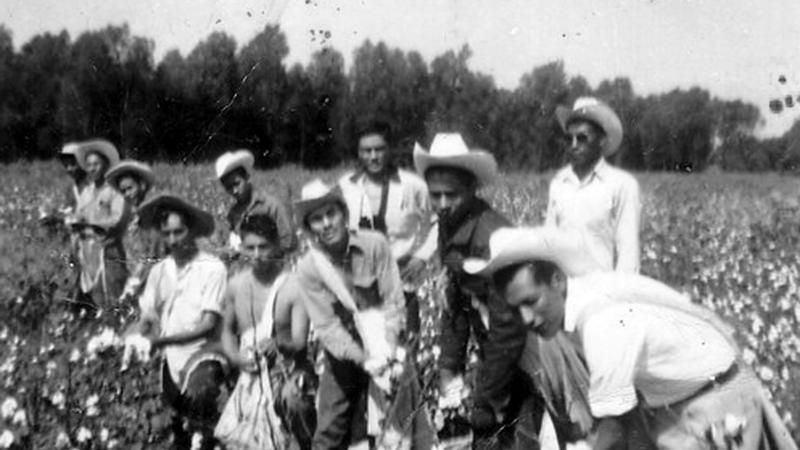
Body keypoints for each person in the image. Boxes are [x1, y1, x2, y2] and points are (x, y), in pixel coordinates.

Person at [465, 226, 799, 450]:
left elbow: (614, 427)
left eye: (531, 301)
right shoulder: (591, 291)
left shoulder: (600, 325)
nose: (526, 319)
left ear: (556, 280)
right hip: (685, 401)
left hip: (715, 403)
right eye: (516, 308)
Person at [413, 133, 540, 448]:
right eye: (435, 195)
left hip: (528, 353)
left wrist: (485, 404)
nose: (442, 204)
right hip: (496, 350)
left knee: (517, 435)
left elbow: (509, 331)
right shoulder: (450, 223)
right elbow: (454, 300)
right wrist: (448, 368)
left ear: (471, 188)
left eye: (450, 195)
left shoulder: (493, 238)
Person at [293, 179, 433, 450]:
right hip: (346, 354)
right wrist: (364, 359)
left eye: (330, 214)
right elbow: (328, 327)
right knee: (330, 432)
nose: (326, 224)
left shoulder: (374, 245)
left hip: (387, 349)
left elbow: (394, 301)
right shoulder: (310, 267)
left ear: (344, 215)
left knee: (398, 429)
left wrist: (388, 350)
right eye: (316, 219)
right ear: (310, 228)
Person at [127, 194, 229, 450]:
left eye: (179, 232)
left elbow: (207, 325)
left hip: (206, 353)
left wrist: (161, 340)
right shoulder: (160, 271)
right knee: (179, 428)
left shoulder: (212, 268)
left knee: (201, 397)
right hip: (172, 356)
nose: (173, 240)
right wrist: (141, 331)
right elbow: (150, 314)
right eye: (167, 233)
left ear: (192, 230)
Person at [217, 213, 317, 449]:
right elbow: (227, 332)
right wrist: (235, 357)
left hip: (287, 369)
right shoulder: (236, 285)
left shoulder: (292, 287)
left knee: (295, 399)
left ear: (276, 246)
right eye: (250, 248)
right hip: (249, 373)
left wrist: (278, 342)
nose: (257, 255)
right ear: (241, 247)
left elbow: (299, 343)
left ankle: (308, 443)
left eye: (263, 247)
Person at [338, 120, 437, 341]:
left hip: (400, 286)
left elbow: (441, 220)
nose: (373, 157)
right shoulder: (346, 186)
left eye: (379, 149)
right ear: (358, 152)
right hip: (358, 290)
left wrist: (422, 256)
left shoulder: (412, 186)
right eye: (366, 151)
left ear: (389, 149)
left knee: (402, 358)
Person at [547, 97, 641, 273]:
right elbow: (549, 244)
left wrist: (619, 297)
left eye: (582, 138)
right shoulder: (559, 183)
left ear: (601, 140)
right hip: (564, 291)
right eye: (570, 139)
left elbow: (629, 254)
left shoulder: (622, 185)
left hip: (602, 292)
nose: (574, 145)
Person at [70, 139, 131, 307]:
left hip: (107, 248)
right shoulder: (86, 192)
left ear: (105, 165)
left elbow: (118, 218)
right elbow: (78, 215)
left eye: (96, 164)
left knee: (112, 291)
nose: (92, 168)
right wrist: (75, 223)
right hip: (87, 251)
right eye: (89, 165)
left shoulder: (114, 190)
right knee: (90, 292)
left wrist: (93, 224)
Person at [215, 149, 297, 256]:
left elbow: (289, 242)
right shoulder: (234, 214)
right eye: (228, 187)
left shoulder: (271, 205)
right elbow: (233, 243)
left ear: (247, 178)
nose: (234, 191)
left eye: (237, 184)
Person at [105, 160, 160, 305]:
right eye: (123, 191)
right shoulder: (135, 217)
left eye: (130, 188)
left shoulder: (153, 213)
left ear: (142, 186)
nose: (127, 194)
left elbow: (153, 254)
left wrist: (135, 283)